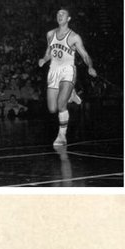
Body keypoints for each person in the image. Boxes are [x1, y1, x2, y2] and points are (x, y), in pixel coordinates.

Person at [39, 8, 96, 147]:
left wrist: (90, 66)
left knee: (61, 105)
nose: (59, 16)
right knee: (52, 109)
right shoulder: (50, 34)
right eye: (58, 14)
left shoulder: (74, 37)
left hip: (67, 70)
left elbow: (85, 55)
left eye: (63, 14)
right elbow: (48, 52)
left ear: (68, 18)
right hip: (53, 71)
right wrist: (44, 59)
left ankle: (62, 136)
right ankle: (71, 92)